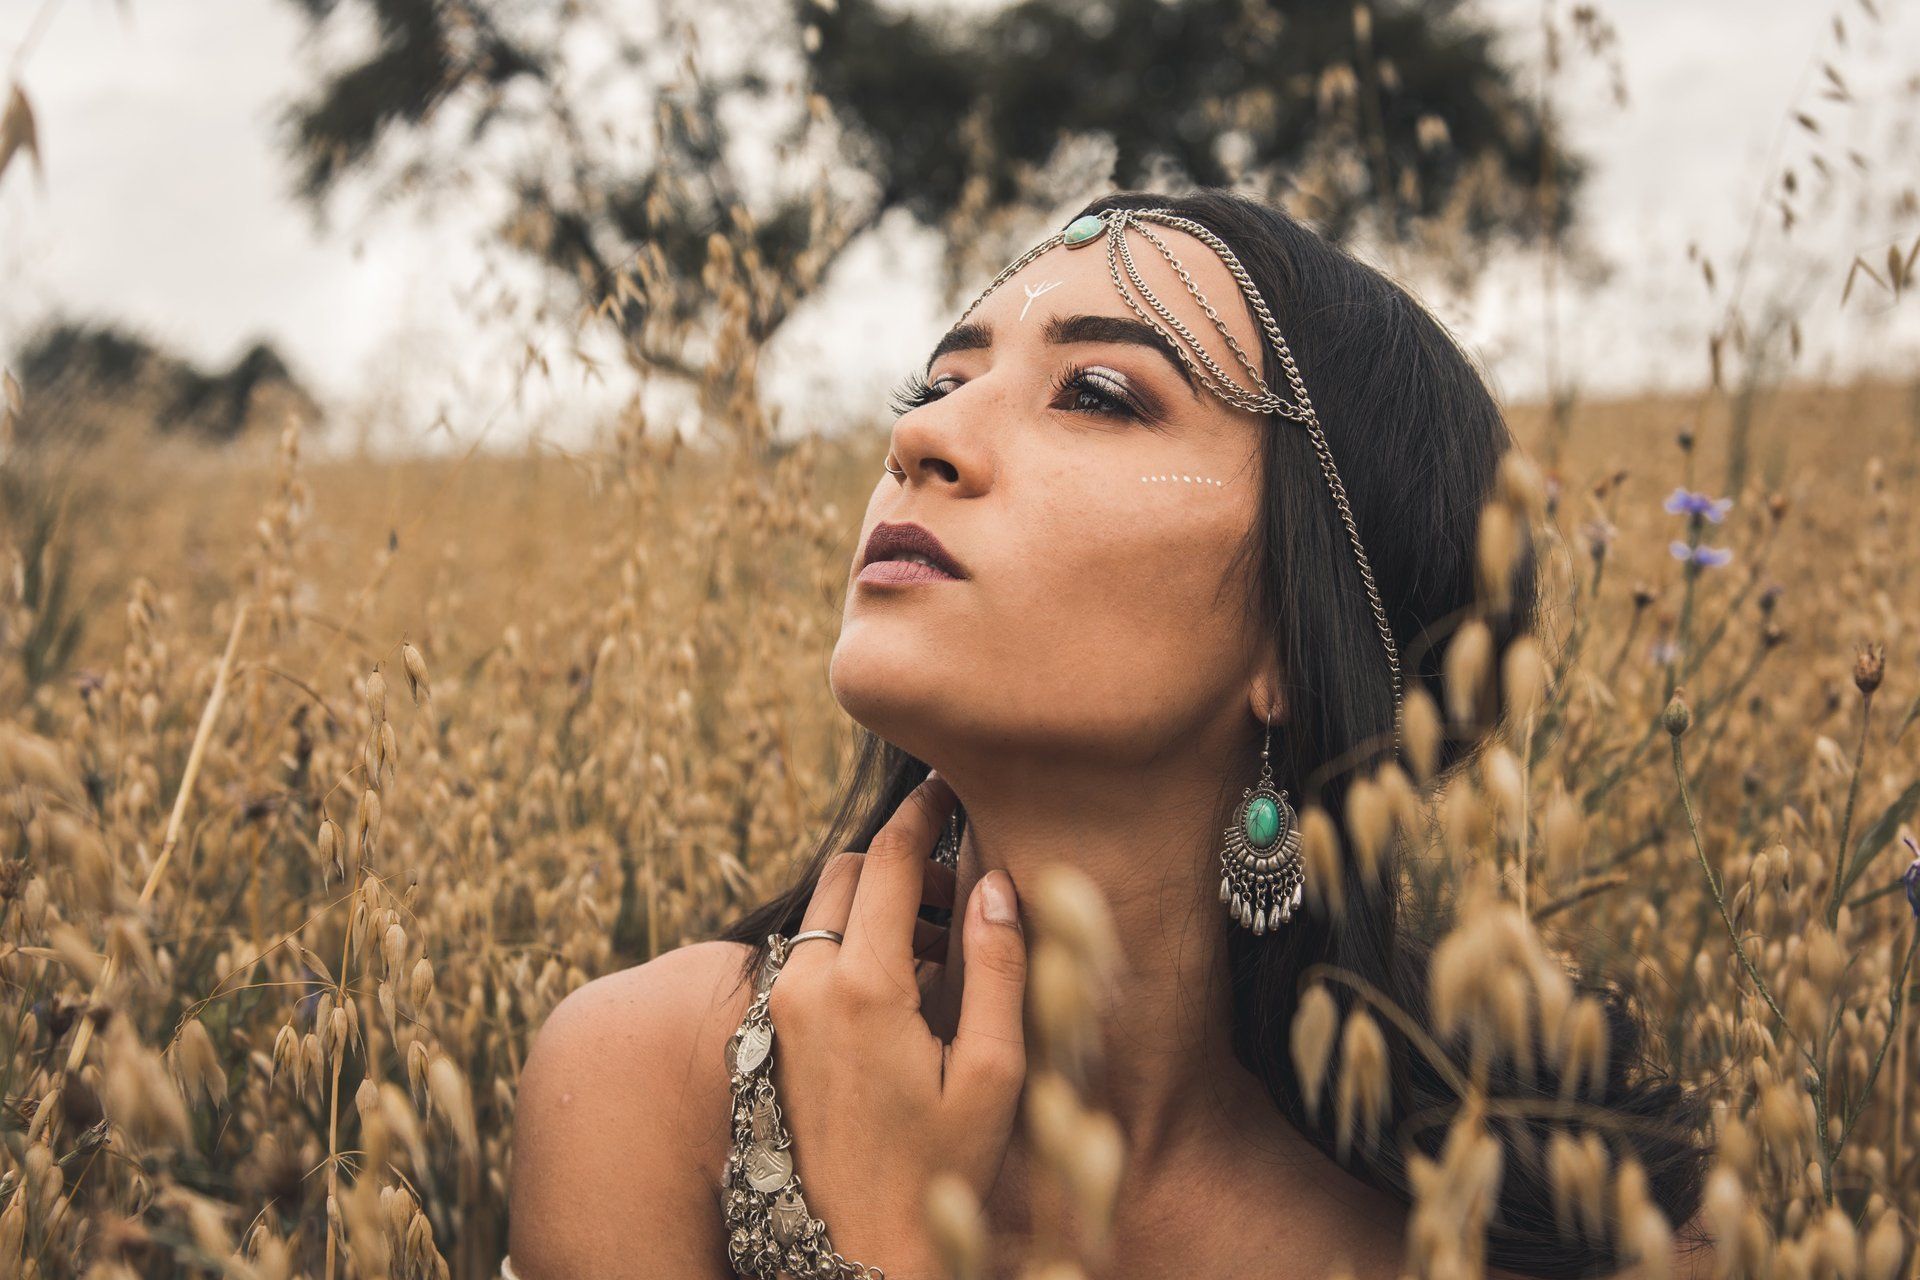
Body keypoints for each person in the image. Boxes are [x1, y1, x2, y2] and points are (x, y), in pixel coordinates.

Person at [502, 188, 1710, 1279]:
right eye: (936, 385)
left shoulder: (1565, 1223)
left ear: (1300, 632)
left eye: (1096, 393)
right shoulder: (653, 1086)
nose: (921, 439)